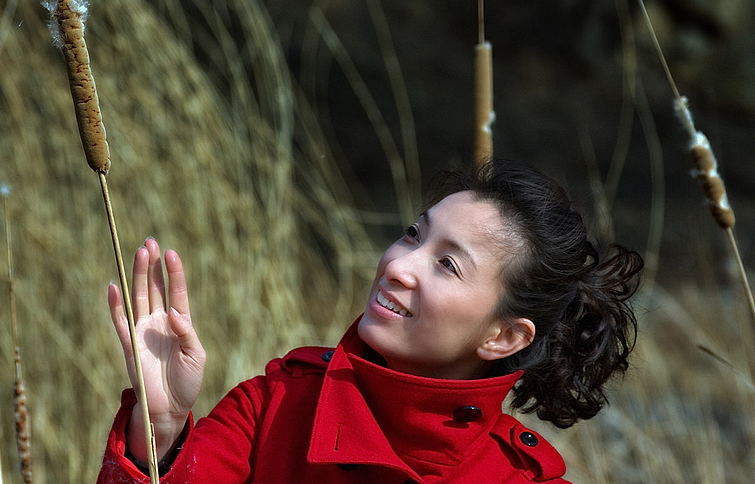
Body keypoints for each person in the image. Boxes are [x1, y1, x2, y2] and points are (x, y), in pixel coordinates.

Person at [96, 159, 643, 483]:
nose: (397, 265)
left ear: (504, 336)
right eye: (412, 233)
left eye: (447, 264)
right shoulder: (273, 408)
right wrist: (159, 432)